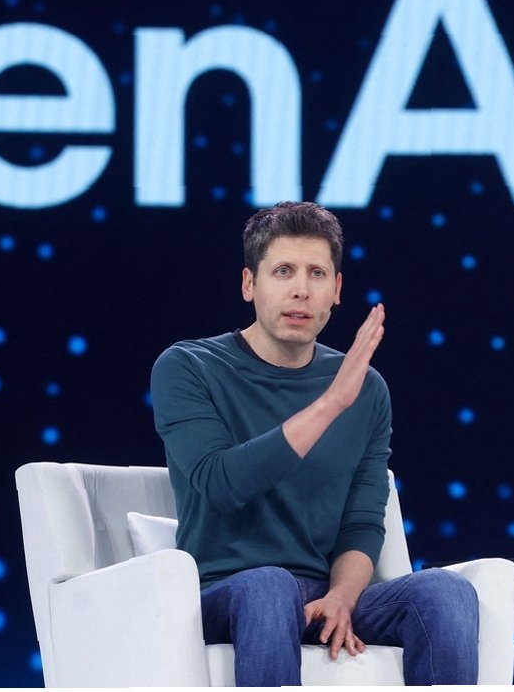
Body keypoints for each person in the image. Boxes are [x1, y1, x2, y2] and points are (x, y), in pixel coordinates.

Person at [150, 201, 479, 685]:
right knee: (269, 586)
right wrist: (329, 404)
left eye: (317, 273)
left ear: (336, 290)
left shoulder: (364, 389)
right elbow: (220, 484)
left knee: (446, 592)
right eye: (283, 271)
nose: (300, 289)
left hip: (324, 593)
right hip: (228, 593)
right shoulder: (188, 367)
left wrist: (341, 597)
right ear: (249, 284)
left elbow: (362, 523)